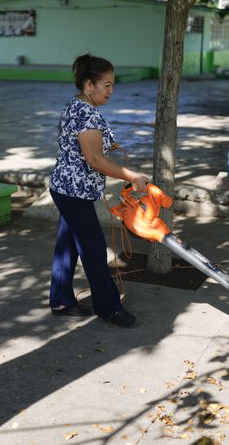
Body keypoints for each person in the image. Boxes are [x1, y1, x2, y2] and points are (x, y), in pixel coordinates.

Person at [48, 53, 148, 328]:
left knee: (67, 245)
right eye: (107, 85)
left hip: (66, 187)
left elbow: (85, 148)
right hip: (73, 190)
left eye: (113, 85)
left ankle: (61, 300)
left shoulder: (78, 106)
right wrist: (131, 175)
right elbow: (93, 160)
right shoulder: (86, 113)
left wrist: (106, 145)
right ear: (89, 84)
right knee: (92, 249)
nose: (111, 91)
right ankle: (109, 307)